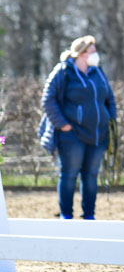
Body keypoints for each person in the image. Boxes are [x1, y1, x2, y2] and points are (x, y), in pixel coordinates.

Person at [40, 35, 117, 220]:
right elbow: (48, 100)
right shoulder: (63, 71)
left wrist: (111, 121)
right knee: (69, 174)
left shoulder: (98, 72)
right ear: (81, 54)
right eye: (92, 51)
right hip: (72, 135)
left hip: (98, 134)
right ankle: (66, 215)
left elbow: (110, 99)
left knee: (91, 176)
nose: (95, 55)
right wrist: (63, 125)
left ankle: (89, 215)